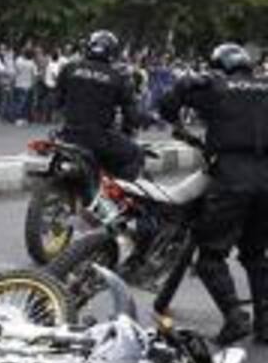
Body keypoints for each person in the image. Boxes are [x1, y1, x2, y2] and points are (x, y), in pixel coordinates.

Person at [156, 43, 268, 345]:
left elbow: (166, 105)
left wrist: (184, 88)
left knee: (210, 256)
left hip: (230, 177)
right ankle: (265, 323)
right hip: (265, 180)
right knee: (256, 255)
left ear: (220, 66)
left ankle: (235, 316)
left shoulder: (216, 86)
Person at [53, 30, 142, 180]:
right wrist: (133, 125)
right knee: (136, 153)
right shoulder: (117, 77)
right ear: (112, 52)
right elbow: (131, 114)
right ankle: (116, 188)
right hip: (98, 138)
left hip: (67, 134)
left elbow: (56, 101)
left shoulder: (69, 68)